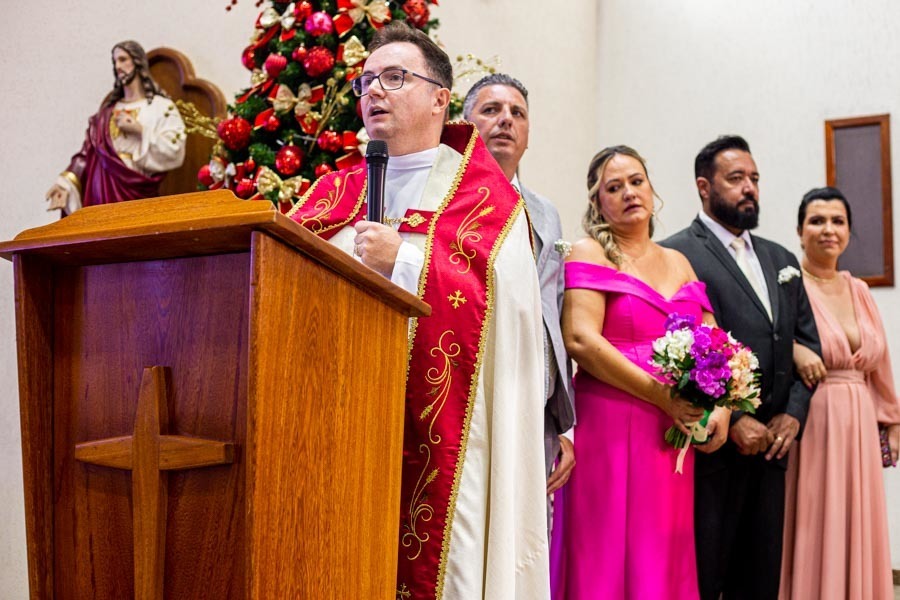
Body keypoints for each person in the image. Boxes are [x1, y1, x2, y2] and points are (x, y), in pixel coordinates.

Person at [287, 23, 548, 600]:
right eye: (367, 81)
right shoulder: (332, 192)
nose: (375, 91)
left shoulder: (485, 199)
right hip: (339, 422)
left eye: (395, 77)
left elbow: (505, 306)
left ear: (439, 99)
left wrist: (403, 261)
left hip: (443, 435)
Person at [550, 145, 729, 599]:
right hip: (609, 425)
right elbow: (581, 340)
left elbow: (715, 346)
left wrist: (722, 407)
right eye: (614, 187)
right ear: (598, 203)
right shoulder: (589, 252)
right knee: (605, 550)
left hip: (670, 434)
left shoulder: (679, 262)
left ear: (652, 190)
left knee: (661, 552)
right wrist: (660, 395)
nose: (629, 192)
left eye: (636, 181)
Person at [661, 135, 821, 600]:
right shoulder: (677, 255)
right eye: (736, 179)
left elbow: (804, 343)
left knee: (761, 576)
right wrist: (733, 421)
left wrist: (793, 415)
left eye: (754, 178)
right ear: (704, 187)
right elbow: (675, 350)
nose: (749, 188)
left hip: (774, 446)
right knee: (707, 574)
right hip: (714, 449)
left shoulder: (781, 260)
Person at [779, 187, 900, 600]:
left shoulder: (861, 290)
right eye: (817, 221)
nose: (828, 230)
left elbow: (880, 365)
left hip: (861, 420)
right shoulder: (790, 285)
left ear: (848, 232)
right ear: (799, 231)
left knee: (858, 519)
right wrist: (794, 349)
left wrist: (892, 421)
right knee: (816, 515)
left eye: (837, 221)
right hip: (814, 418)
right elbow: (769, 339)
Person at [462, 73, 576, 499]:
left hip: (537, 412)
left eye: (517, 113)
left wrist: (567, 426)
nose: (505, 120)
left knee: (529, 553)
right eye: (490, 110)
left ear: (528, 134)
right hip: (470, 403)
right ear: (464, 124)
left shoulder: (546, 213)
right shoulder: (443, 201)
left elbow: (556, 310)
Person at [46, 41, 186, 215]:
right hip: (101, 193)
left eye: (123, 59)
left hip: (139, 192)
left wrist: (140, 130)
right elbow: (86, 155)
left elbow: (175, 150)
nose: (118, 66)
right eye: (115, 62)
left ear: (138, 62)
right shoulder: (105, 114)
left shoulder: (161, 108)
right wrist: (64, 184)